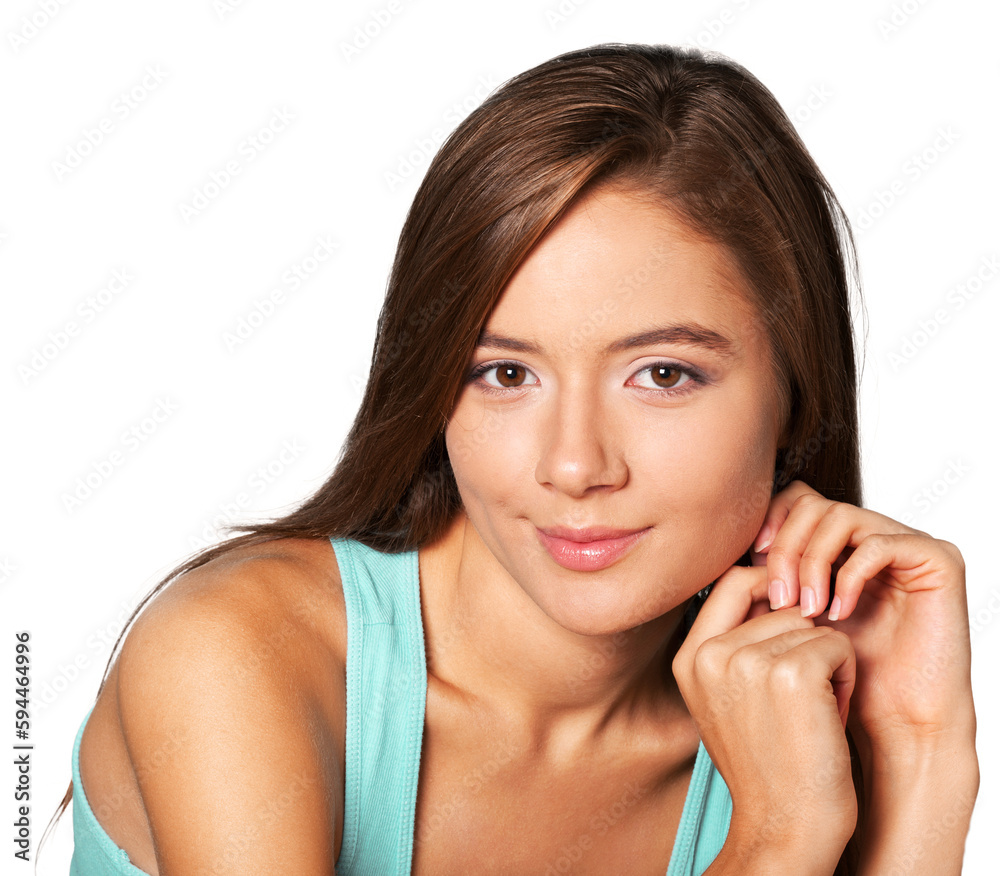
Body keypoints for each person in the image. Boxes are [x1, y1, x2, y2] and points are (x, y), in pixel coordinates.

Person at [49, 42, 978, 875]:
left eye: (662, 374)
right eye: (503, 373)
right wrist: (775, 843)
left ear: (796, 392)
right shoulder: (240, 654)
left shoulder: (784, 725)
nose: (574, 466)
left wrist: (918, 752)